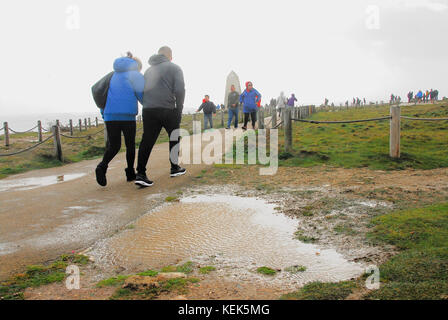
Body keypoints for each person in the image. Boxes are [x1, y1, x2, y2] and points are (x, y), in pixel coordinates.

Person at [135, 46, 186, 188]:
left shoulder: (148, 70)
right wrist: (179, 109)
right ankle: (174, 167)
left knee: (147, 140)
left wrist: (147, 104)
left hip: (149, 109)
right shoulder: (175, 68)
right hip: (168, 109)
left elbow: (141, 90)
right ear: (170, 55)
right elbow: (180, 89)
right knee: (174, 136)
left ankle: (140, 174)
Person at [95, 52, 144, 187]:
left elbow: (102, 95)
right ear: (137, 66)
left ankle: (102, 166)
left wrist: (105, 114)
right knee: (130, 146)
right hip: (127, 117)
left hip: (110, 116)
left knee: (114, 146)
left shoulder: (112, 75)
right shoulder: (135, 75)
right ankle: (130, 174)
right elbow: (141, 96)